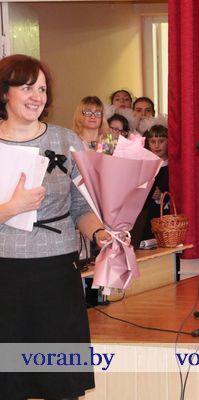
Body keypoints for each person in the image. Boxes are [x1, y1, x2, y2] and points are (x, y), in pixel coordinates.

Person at [0, 54, 111, 399]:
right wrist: (11, 208)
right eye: (27, 87)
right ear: (4, 92)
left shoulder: (66, 141)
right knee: (8, 381)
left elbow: (81, 206)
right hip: (5, 275)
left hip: (57, 272)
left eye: (42, 89)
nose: (37, 96)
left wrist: (100, 234)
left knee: (60, 381)